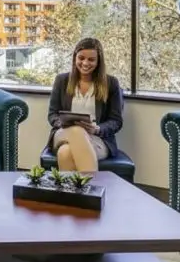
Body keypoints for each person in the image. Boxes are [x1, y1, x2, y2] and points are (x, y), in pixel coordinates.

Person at [46, 37, 123, 173]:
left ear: (99, 61)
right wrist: (64, 123)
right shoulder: (61, 80)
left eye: (91, 59)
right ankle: (93, 190)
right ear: (75, 57)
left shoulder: (111, 83)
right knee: (76, 130)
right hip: (63, 133)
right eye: (81, 58)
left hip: (97, 139)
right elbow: (52, 115)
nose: (85, 63)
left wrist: (97, 129)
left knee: (66, 153)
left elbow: (116, 121)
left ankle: (71, 194)